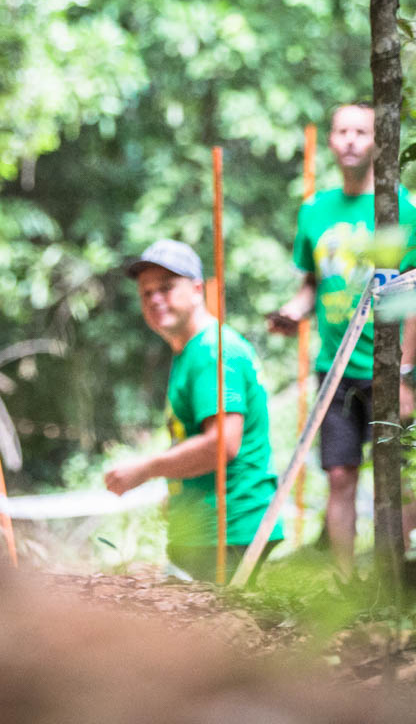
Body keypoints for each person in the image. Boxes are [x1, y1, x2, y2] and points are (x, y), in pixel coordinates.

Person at [266, 104, 416, 575]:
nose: (352, 139)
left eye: (363, 131)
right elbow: (310, 286)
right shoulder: (314, 210)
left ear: (378, 140)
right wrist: (290, 315)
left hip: (384, 367)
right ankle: (346, 584)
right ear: (332, 141)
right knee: (340, 475)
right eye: (343, 131)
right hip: (333, 369)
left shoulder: (397, 205)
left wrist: (405, 372)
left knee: (394, 476)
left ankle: (403, 575)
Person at [104, 240, 282, 582]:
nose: (156, 299)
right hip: (208, 527)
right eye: (147, 293)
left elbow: (222, 445)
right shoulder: (192, 351)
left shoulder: (213, 351)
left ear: (197, 289)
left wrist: (146, 469)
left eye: (167, 288)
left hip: (227, 529)